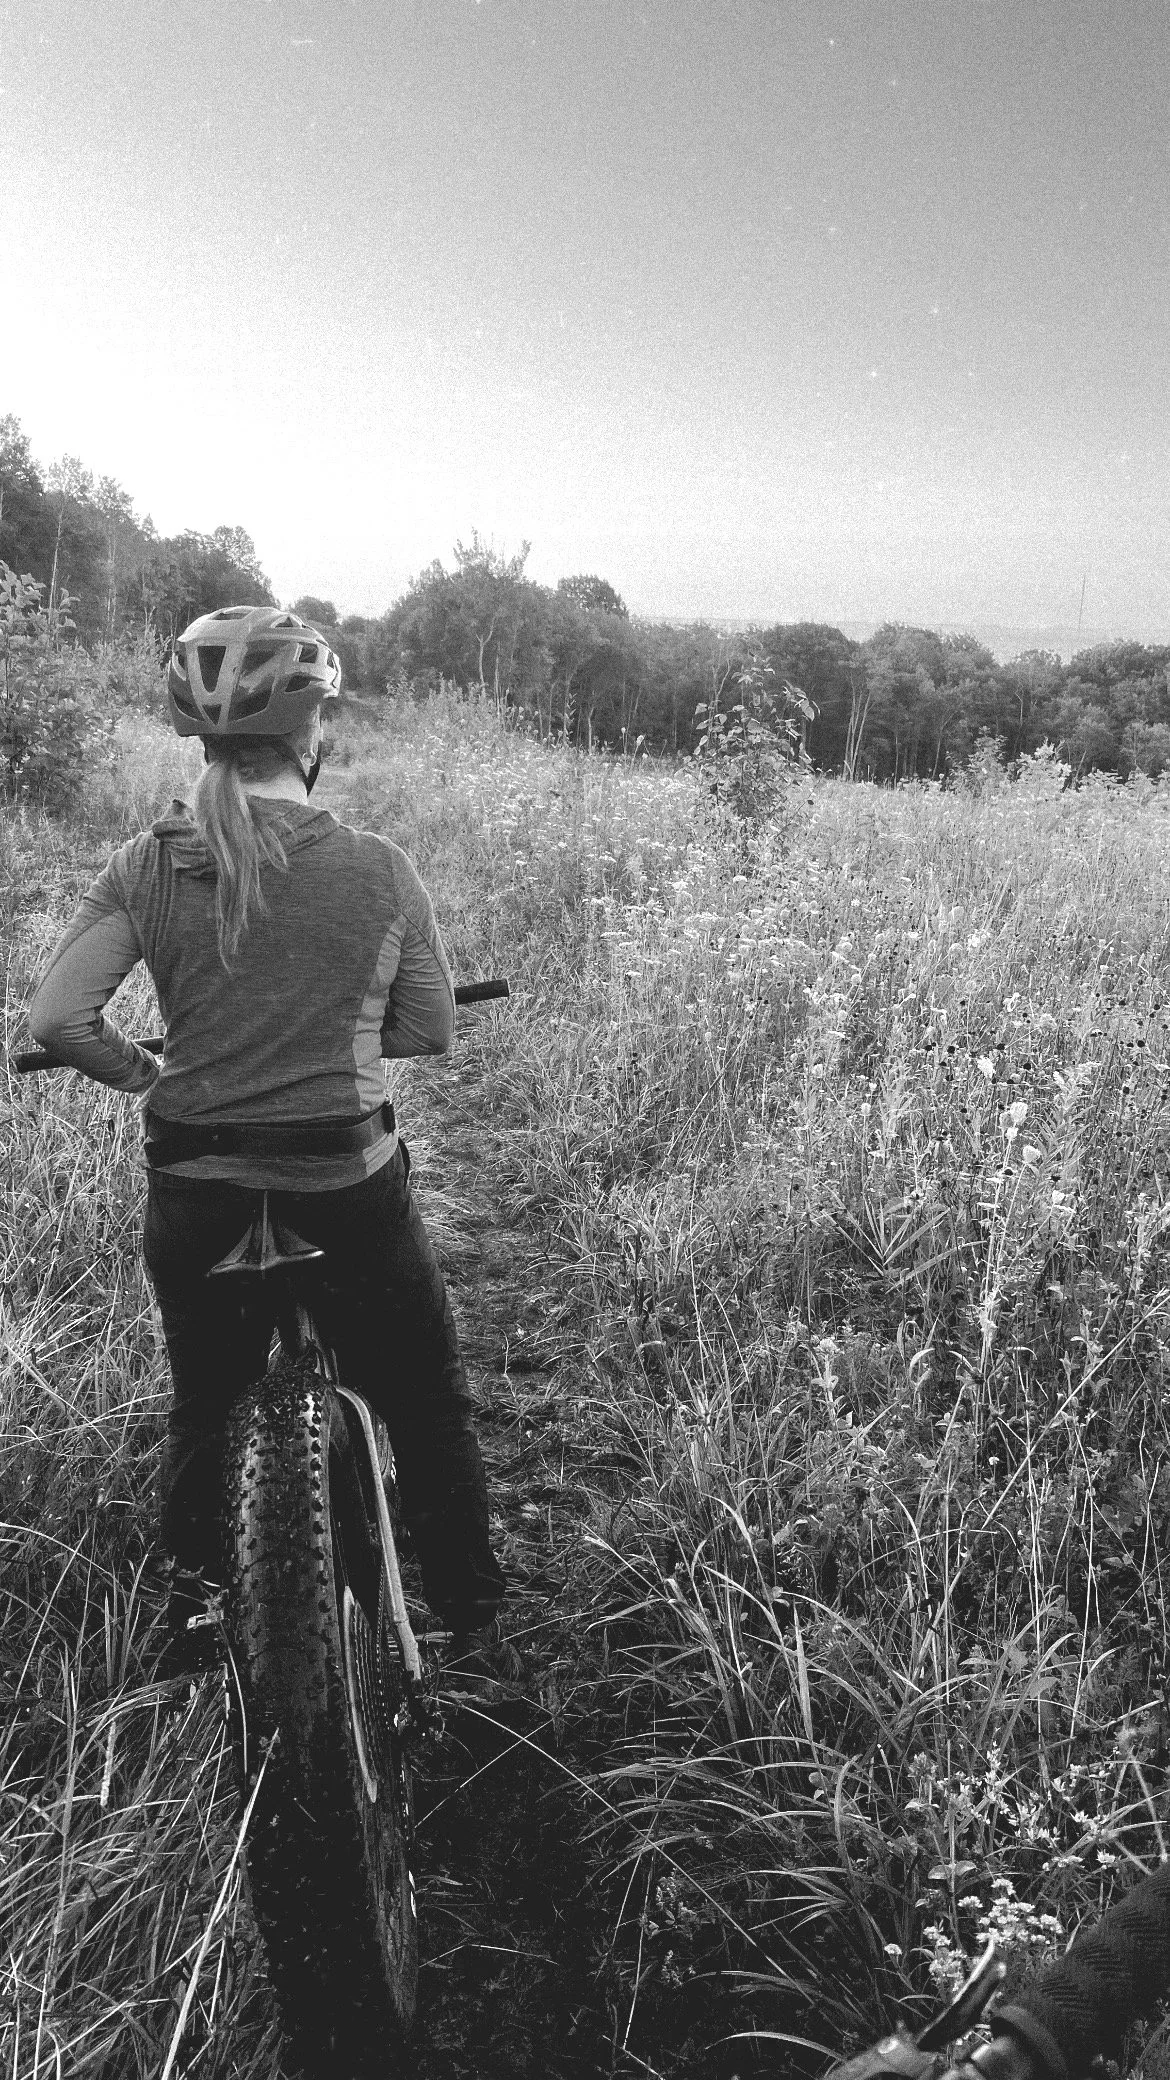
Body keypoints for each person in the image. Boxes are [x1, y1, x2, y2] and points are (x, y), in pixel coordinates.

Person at [27, 604, 506, 1665]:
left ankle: (196, 1612)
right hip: (346, 1181)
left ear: (202, 741)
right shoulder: (380, 869)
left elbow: (58, 1022)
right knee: (423, 1388)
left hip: (194, 1186)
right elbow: (428, 1028)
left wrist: (147, 1067)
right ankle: (472, 1609)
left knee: (206, 1401)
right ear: (313, 734)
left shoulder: (145, 865)